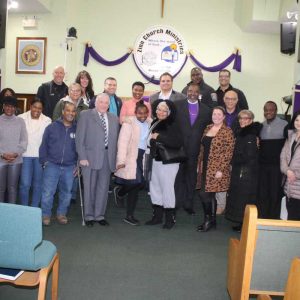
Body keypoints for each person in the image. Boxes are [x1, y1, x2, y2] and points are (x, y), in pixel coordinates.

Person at [76, 93, 119, 227]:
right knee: (89, 187)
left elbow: (115, 140)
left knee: (103, 188)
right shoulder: (86, 115)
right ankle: (88, 216)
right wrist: (82, 157)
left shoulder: (113, 118)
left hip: (107, 158)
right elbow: (79, 138)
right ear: (95, 103)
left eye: (106, 103)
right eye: (101, 102)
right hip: (89, 158)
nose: (104, 105)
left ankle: (99, 215)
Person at [145, 100, 183, 229]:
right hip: (155, 159)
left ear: (169, 112)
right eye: (158, 110)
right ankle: (157, 217)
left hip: (169, 163)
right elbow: (151, 139)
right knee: (155, 188)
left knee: (167, 189)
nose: (160, 112)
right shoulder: (155, 122)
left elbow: (177, 143)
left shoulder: (174, 124)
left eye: (164, 110)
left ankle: (169, 219)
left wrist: (159, 137)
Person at [174, 83, 211, 215]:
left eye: (195, 91)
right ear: (186, 91)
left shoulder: (206, 110)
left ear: (199, 93)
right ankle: (176, 202)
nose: (193, 93)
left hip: (195, 150)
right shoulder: (177, 105)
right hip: (179, 148)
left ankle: (188, 203)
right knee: (178, 177)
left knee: (191, 177)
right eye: (190, 91)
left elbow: (208, 129)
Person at [196, 106, 234, 232]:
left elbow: (228, 153)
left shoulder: (227, 131)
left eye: (219, 114)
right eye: (214, 114)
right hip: (205, 166)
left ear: (224, 117)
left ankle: (208, 220)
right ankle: (212, 221)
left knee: (204, 194)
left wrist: (221, 170)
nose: (216, 116)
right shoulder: (208, 128)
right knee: (210, 195)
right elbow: (202, 148)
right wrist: (199, 163)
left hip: (216, 169)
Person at [39, 102, 77, 226]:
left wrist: (78, 165)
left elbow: (80, 148)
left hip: (70, 166)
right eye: (68, 110)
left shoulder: (78, 129)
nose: (71, 113)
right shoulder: (52, 127)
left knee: (66, 193)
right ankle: (45, 215)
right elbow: (43, 145)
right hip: (52, 165)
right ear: (63, 112)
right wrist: (44, 162)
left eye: (73, 111)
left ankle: (61, 214)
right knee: (48, 192)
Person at [114, 101, 151, 225]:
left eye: (145, 113)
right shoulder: (129, 123)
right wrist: (121, 160)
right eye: (140, 113)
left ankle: (129, 214)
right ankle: (120, 193)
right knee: (137, 182)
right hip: (131, 157)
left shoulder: (150, 123)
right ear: (135, 113)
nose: (142, 115)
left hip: (143, 157)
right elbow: (122, 143)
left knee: (137, 185)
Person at [225, 110, 261, 231]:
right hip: (240, 169)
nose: (242, 121)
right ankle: (242, 224)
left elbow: (249, 156)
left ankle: (245, 226)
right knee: (240, 197)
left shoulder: (250, 135)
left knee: (244, 198)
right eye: (240, 118)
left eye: (245, 118)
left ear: (251, 120)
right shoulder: (242, 132)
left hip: (246, 172)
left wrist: (233, 160)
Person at [18, 99, 51, 207]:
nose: (37, 110)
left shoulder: (47, 120)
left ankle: (34, 207)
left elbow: (47, 140)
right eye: (34, 107)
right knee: (25, 184)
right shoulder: (21, 118)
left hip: (39, 157)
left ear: (42, 109)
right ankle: (24, 207)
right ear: (30, 106)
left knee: (38, 185)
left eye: (40, 108)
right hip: (25, 155)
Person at [258, 101, 288, 219]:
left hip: (277, 167)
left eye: (271, 110)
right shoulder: (261, 126)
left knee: (275, 193)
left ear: (276, 111)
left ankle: (274, 219)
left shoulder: (285, 124)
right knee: (263, 193)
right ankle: (263, 218)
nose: (268, 112)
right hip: (263, 166)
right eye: (266, 110)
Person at [0, 96, 28, 203]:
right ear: (3, 107)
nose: (9, 109)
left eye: (12, 107)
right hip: (1, 160)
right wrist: (2, 154)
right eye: (7, 106)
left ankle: (11, 213)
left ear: (15, 108)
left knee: (12, 188)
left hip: (16, 160)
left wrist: (16, 154)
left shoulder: (20, 121)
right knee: (1, 188)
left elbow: (24, 140)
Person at [280, 110, 300, 220]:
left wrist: (295, 174)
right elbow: (283, 157)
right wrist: (287, 171)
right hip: (289, 187)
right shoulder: (290, 136)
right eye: (297, 120)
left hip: (297, 183)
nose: (298, 123)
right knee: (292, 219)